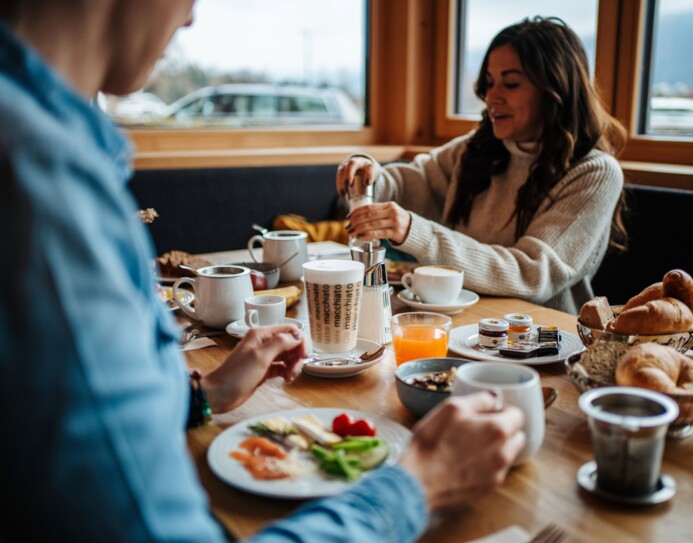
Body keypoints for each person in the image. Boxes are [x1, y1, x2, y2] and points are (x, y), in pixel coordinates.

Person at [0, 1, 526, 542]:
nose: (189, 20)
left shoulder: (49, 152)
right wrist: (416, 485)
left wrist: (205, 393)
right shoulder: (41, 178)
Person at [337, 17, 628, 314]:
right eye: (489, 83)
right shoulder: (477, 148)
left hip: (540, 340)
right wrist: (369, 175)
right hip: (458, 322)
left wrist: (416, 231)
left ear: (556, 90)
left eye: (511, 84)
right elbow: (412, 183)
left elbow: (531, 274)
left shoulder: (595, 173)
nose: (491, 97)